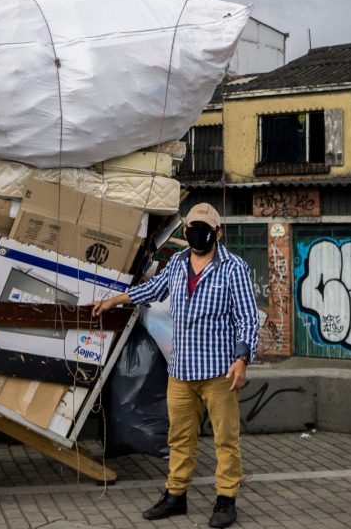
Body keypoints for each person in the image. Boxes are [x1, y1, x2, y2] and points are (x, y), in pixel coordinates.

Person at [92, 203, 259, 528]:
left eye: (206, 228)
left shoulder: (233, 268)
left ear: (218, 233)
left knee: (226, 439)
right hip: (181, 372)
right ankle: (175, 496)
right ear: (186, 231)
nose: (199, 232)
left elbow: (248, 318)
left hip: (220, 373)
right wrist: (114, 300)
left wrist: (242, 358)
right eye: (194, 226)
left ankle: (226, 500)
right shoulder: (178, 263)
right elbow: (153, 290)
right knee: (179, 439)